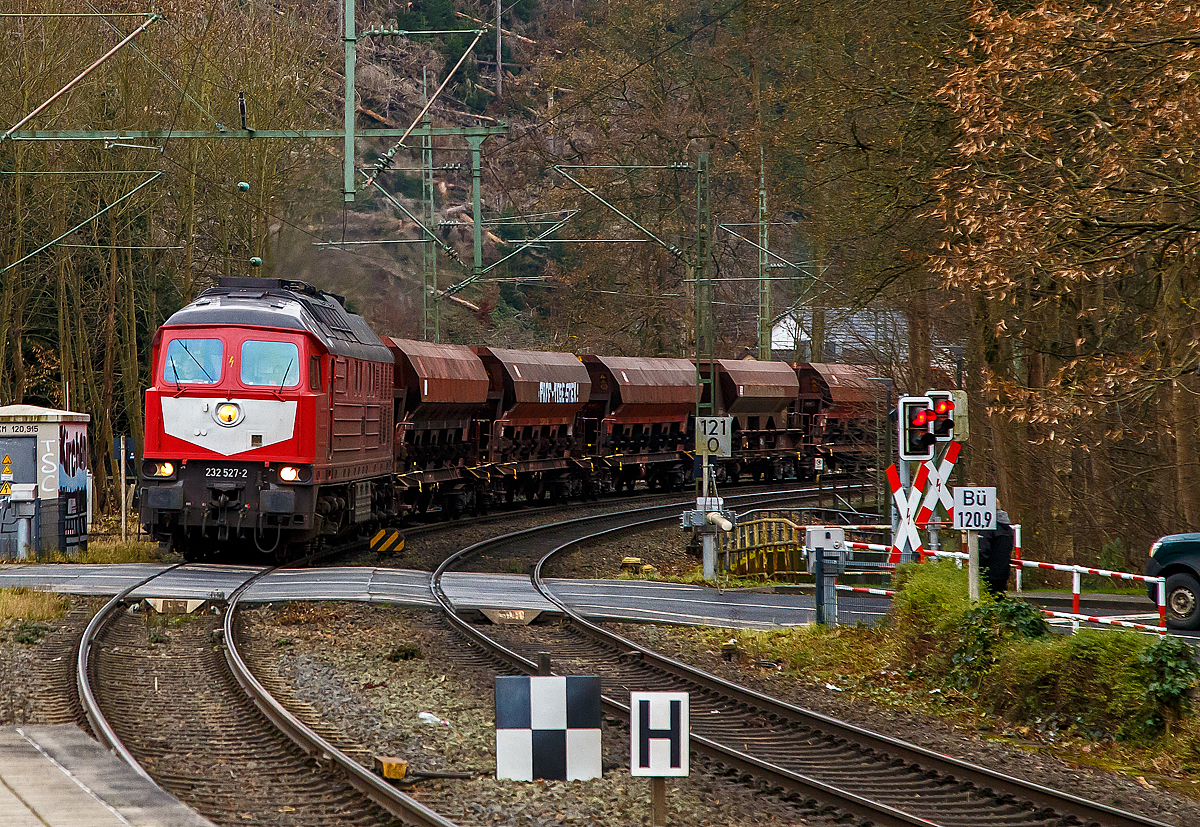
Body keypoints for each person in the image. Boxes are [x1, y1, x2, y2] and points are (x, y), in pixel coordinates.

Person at [978, 510, 1014, 597]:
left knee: (988, 596)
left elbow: (983, 550)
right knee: (1000, 596)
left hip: (989, 571)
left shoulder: (988, 529)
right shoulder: (1008, 530)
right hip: (1003, 570)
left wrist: (980, 568)